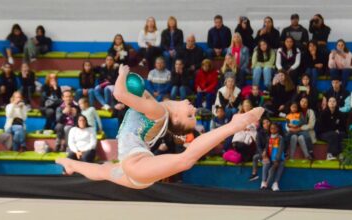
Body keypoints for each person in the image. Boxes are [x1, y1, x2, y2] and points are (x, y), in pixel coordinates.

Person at [56, 64, 264, 189]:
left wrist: (122, 73)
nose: (193, 108)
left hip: (136, 164)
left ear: (175, 116)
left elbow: (119, 94)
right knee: (102, 170)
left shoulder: (158, 112)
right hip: (133, 169)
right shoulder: (155, 106)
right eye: (194, 114)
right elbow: (136, 94)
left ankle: (234, 125)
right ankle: (71, 164)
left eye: (190, 115)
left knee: (185, 159)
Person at [260, 122, 285, 191]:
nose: (273, 130)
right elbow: (266, 147)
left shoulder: (280, 138)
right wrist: (265, 153)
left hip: (278, 159)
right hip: (270, 158)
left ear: (278, 129)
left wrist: (277, 160)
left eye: (275, 128)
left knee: (279, 165)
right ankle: (263, 182)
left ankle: (275, 183)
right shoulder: (268, 138)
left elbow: (280, 150)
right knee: (265, 164)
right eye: (271, 128)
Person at [249, 117, 271, 181]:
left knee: (266, 162)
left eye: (267, 122)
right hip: (262, 153)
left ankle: (265, 181)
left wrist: (265, 152)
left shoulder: (273, 130)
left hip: (271, 151)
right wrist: (262, 154)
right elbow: (258, 145)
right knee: (255, 157)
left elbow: (269, 143)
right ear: (262, 125)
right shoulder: (259, 133)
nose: (266, 124)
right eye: (264, 123)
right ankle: (254, 174)